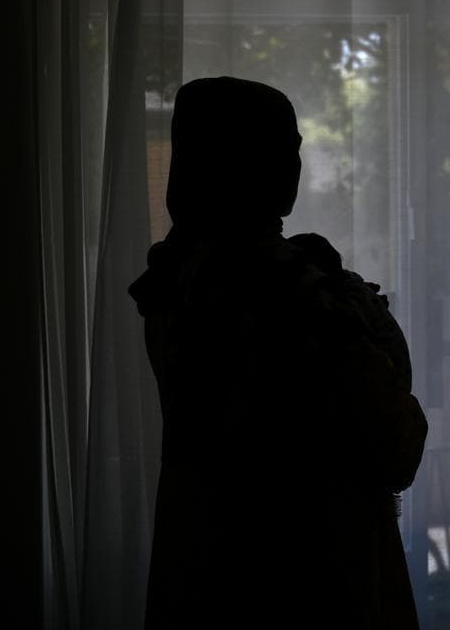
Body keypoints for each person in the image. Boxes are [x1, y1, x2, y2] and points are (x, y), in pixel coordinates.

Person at [129, 76, 428, 628]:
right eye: (285, 149)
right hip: (309, 584)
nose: (296, 166)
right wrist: (363, 311)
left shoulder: (171, 277)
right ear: (249, 160)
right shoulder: (293, 295)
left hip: (203, 572)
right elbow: (399, 441)